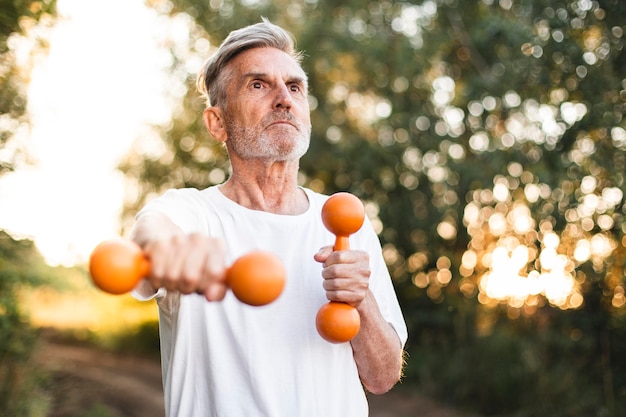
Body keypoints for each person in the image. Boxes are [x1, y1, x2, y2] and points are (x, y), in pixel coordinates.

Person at [130, 18, 407, 417]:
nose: (283, 99)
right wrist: (168, 250)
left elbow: (382, 377)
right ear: (217, 122)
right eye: (258, 85)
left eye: (294, 87)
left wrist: (360, 299)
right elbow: (151, 232)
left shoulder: (347, 223)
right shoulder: (192, 215)